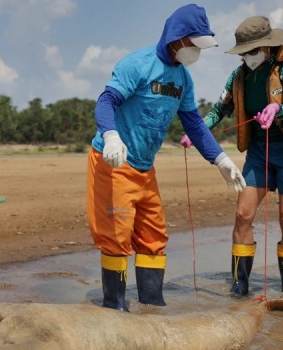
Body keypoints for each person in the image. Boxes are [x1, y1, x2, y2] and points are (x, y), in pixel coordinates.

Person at [87, 4, 246, 313]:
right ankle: (115, 307)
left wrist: (221, 160)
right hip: (115, 162)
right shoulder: (138, 65)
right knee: (117, 236)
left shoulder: (183, 79)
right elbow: (106, 101)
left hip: (145, 167)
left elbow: (195, 125)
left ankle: (152, 306)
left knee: (153, 235)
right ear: (177, 38)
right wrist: (110, 135)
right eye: (194, 44)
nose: (196, 52)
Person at [181, 16, 283, 296]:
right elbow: (218, 110)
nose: (248, 56)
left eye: (253, 51)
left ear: (267, 47)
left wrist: (276, 109)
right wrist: (197, 131)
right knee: (243, 214)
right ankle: (240, 284)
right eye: (244, 52)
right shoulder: (238, 76)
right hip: (259, 152)